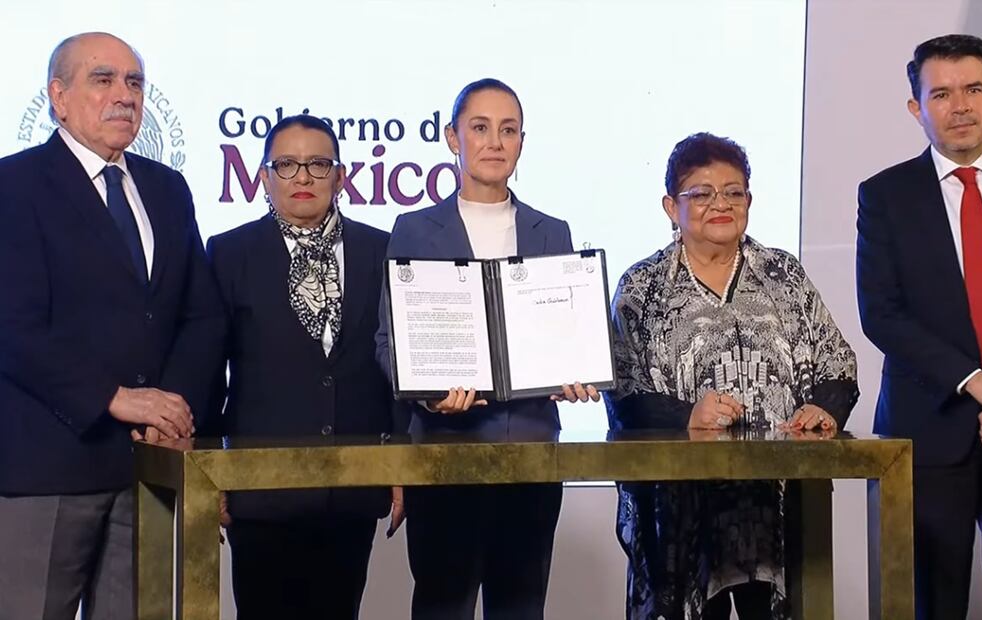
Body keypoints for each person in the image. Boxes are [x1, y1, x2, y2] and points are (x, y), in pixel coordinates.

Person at [0, 32, 224, 619]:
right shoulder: (13, 186)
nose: (124, 96)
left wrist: (174, 407)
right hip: (47, 468)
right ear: (58, 96)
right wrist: (117, 399)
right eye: (103, 80)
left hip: (148, 471)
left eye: (134, 82)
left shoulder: (167, 188)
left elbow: (200, 315)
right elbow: (13, 327)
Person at [605, 132, 858, 620]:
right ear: (669, 206)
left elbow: (838, 364)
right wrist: (687, 415)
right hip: (681, 513)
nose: (720, 204)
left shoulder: (783, 274)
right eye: (700, 193)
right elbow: (624, 393)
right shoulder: (642, 287)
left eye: (734, 191)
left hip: (776, 506)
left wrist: (823, 406)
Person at [375, 78, 599, 620]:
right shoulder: (412, 229)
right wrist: (429, 396)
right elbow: (389, 342)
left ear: (523, 141)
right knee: (441, 608)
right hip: (445, 459)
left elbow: (566, 334)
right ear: (453, 138)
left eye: (508, 130)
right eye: (480, 128)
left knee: (522, 609)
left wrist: (574, 372)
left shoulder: (554, 232)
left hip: (531, 457)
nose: (495, 142)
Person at [207, 114, 402, 619]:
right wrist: (208, 472)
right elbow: (209, 373)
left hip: (355, 484)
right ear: (264, 176)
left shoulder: (383, 250)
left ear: (340, 176)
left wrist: (405, 465)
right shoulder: (229, 253)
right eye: (287, 164)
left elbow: (398, 368)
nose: (302, 178)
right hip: (261, 489)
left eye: (318, 164)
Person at [857, 33, 982, 619]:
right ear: (917, 109)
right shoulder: (885, 196)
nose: (961, 106)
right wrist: (981, 383)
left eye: (973, 89)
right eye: (941, 94)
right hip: (926, 435)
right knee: (929, 605)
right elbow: (883, 313)